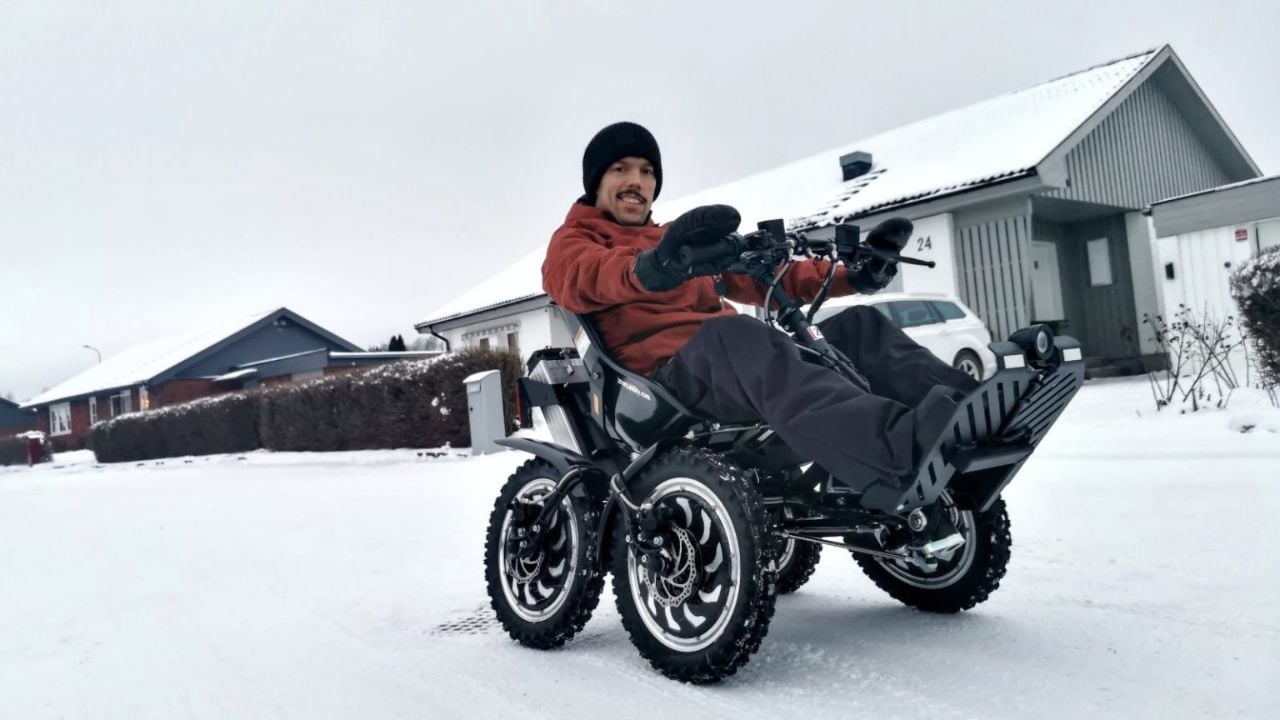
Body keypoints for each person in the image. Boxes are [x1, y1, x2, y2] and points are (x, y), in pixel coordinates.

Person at [541, 121, 978, 489]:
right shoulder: (575, 242)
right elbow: (586, 275)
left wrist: (856, 276)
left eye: (647, 171)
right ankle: (891, 448)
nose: (637, 181)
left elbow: (768, 274)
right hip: (659, 382)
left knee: (857, 329)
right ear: (596, 181)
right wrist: (651, 268)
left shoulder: (675, 239)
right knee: (740, 336)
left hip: (726, 365)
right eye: (621, 169)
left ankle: (970, 415)